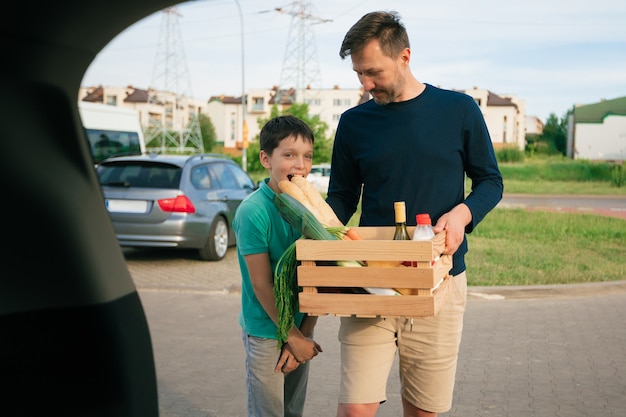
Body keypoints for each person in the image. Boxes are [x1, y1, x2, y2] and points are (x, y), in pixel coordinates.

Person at [326, 11, 504, 417]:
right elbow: (341, 198)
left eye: (373, 72)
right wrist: (304, 220)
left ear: (404, 56)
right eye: (358, 74)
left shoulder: (458, 110)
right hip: (369, 282)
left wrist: (462, 214)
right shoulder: (353, 123)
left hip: (437, 283)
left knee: (422, 412)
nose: (365, 85)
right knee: (354, 411)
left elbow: (490, 182)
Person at [233, 115, 323, 417]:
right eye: (289, 155)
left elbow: (316, 272)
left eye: (307, 156)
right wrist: (291, 335)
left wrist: (304, 333)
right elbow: (261, 283)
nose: (301, 165)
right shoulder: (253, 211)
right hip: (267, 331)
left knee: (292, 412)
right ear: (265, 159)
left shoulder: (308, 207)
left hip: (300, 326)